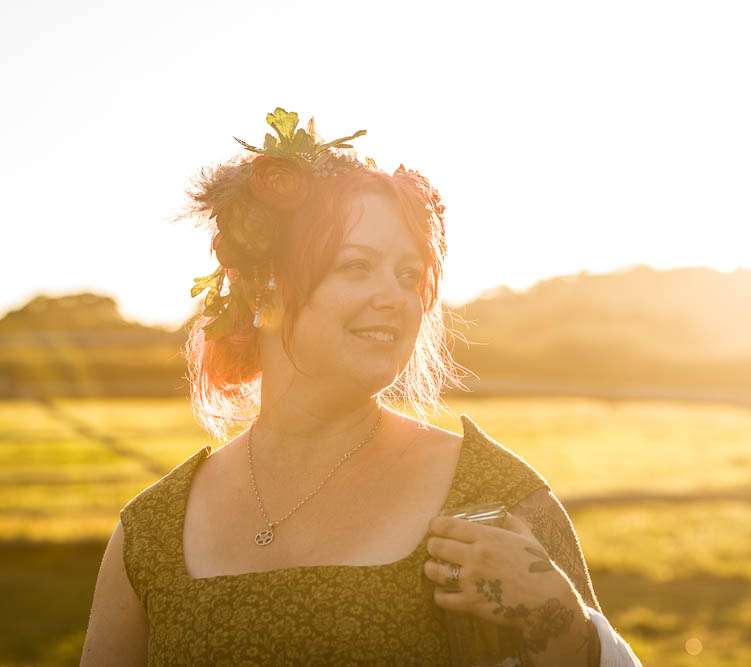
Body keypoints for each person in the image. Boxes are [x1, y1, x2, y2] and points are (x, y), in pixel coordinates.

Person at [81, 107, 641, 666]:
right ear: (263, 288)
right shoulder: (151, 533)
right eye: (356, 266)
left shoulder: (493, 498)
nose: (395, 298)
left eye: (408, 275)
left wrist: (561, 620)